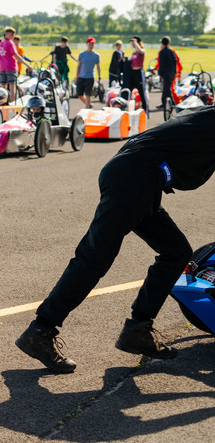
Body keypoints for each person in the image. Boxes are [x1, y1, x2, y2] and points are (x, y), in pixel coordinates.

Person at [15, 105, 215, 373]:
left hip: (139, 178)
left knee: (176, 252)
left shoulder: (206, 114)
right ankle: (39, 331)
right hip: (135, 177)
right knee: (94, 257)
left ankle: (138, 329)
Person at [0, 27, 31, 102]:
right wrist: (28, 65)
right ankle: (12, 102)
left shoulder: (0, 44)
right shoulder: (10, 43)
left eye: (13, 35)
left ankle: (3, 102)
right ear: (6, 34)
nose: (12, 36)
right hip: (11, 67)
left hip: (2, 68)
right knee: (12, 86)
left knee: (3, 86)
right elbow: (16, 55)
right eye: (11, 34)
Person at [75, 37, 102, 108]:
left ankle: (86, 110)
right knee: (80, 95)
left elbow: (98, 67)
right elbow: (78, 66)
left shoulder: (96, 55)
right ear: (87, 44)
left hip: (90, 78)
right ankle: (89, 105)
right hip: (81, 77)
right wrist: (76, 77)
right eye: (90, 44)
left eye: (93, 44)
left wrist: (99, 78)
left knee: (88, 95)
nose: (91, 46)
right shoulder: (81, 54)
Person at [156, 36, 178, 109]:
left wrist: (160, 74)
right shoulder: (171, 51)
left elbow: (161, 64)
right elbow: (175, 61)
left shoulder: (162, 52)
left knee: (166, 88)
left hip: (166, 72)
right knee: (167, 87)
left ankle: (170, 102)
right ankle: (167, 102)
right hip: (172, 72)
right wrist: (175, 71)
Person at [128, 36, 148, 115]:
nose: (132, 44)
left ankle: (145, 111)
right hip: (133, 73)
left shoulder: (141, 51)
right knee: (129, 91)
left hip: (139, 73)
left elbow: (140, 51)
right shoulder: (133, 53)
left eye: (134, 43)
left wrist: (136, 43)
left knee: (141, 92)